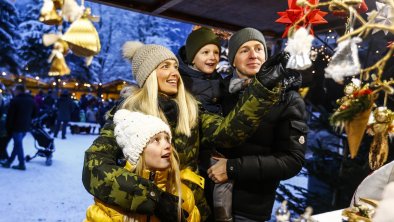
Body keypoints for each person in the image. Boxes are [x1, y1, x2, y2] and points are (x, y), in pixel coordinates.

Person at [82, 41, 285, 222]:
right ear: (149, 74)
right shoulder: (128, 114)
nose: (175, 73)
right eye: (165, 66)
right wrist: (153, 199)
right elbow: (94, 166)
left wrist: (261, 90)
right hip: (144, 213)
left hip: (190, 208)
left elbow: (228, 133)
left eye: (176, 67)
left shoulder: (191, 108)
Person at [207, 27, 308, 221]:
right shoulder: (218, 91)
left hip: (250, 209)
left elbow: (292, 160)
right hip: (205, 200)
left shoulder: (287, 98)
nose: (253, 55)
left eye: (259, 49)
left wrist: (233, 168)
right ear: (233, 60)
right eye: (244, 50)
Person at [85, 110, 200, 222]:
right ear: (138, 152)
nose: (167, 145)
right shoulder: (110, 205)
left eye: (167, 139)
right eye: (156, 140)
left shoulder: (184, 195)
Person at [1, 84, 37, 170]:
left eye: (15, 90)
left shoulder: (15, 100)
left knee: (18, 145)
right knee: (17, 144)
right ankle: (9, 161)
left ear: (18, 90)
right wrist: (28, 118)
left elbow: (10, 116)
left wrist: (8, 127)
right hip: (25, 126)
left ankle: (21, 164)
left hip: (16, 126)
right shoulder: (31, 100)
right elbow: (36, 112)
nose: (14, 91)